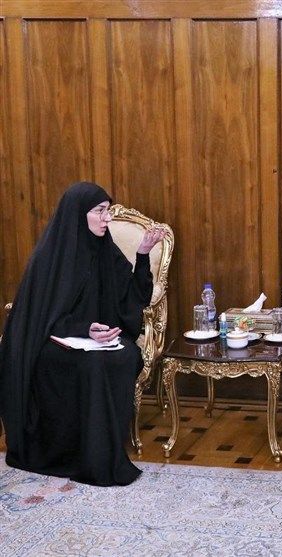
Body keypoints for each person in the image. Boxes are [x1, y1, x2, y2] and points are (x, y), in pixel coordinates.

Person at [0, 181, 166, 486]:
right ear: (79, 213)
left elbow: (132, 298)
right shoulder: (50, 258)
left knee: (126, 355)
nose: (106, 218)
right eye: (99, 211)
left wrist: (142, 254)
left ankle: (103, 449)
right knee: (90, 364)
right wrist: (83, 329)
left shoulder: (105, 249)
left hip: (99, 339)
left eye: (108, 211)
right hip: (53, 342)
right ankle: (77, 452)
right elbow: (41, 319)